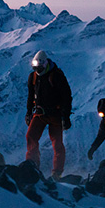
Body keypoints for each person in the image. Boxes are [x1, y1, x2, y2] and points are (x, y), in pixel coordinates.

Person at [25, 50, 72, 181]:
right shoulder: (33, 77)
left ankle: (57, 173)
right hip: (40, 113)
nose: (37, 70)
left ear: (45, 64)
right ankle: (31, 166)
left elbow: (66, 97)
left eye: (39, 68)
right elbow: (30, 96)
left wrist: (65, 116)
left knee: (57, 144)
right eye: (35, 68)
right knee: (30, 137)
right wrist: (29, 113)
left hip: (55, 115)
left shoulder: (56, 76)